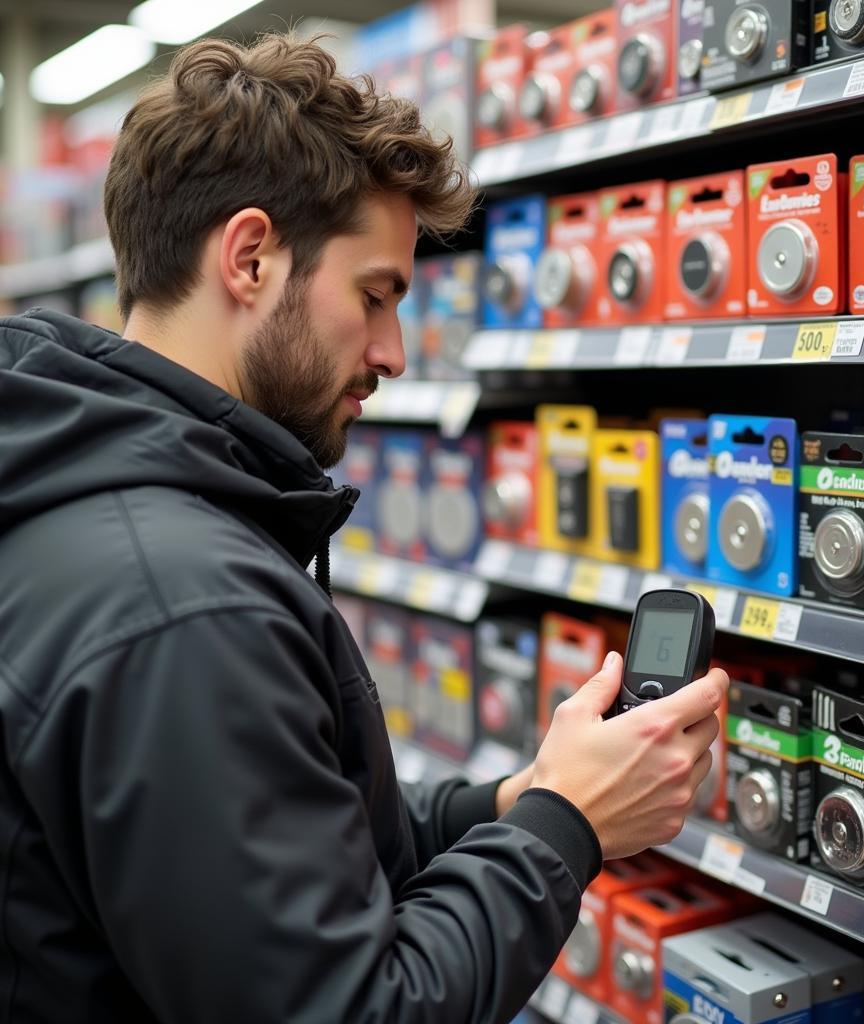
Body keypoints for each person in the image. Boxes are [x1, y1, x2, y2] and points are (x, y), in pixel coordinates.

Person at [0, 33, 726, 1023]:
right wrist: (571, 824)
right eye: (374, 295)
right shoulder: (183, 605)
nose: (390, 351)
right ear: (249, 257)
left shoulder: (104, 498)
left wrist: (513, 802)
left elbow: (295, 842)